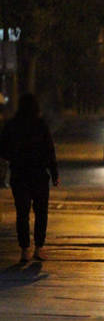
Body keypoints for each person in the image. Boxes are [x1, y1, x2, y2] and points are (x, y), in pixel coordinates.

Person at [0, 94, 58, 262]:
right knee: (41, 213)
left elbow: (2, 148)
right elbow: (49, 150)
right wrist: (54, 173)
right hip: (39, 174)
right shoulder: (41, 126)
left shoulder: (12, 125)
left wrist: (14, 157)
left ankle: (24, 249)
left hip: (19, 174)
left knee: (22, 213)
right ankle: (39, 247)